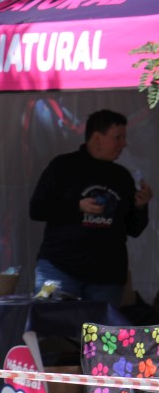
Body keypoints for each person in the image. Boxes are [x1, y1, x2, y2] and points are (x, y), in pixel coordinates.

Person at [30, 108, 152, 305]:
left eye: (124, 137)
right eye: (117, 137)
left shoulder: (122, 177)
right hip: (59, 269)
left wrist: (141, 206)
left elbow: (134, 229)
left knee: (100, 335)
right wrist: (77, 207)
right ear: (97, 138)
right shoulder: (63, 167)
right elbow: (36, 210)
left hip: (106, 277)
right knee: (53, 330)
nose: (124, 144)